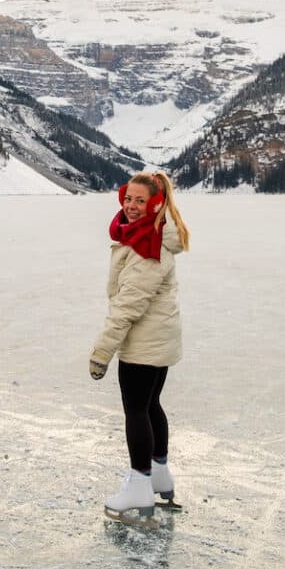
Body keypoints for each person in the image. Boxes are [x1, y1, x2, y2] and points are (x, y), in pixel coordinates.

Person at [89, 171, 191, 521]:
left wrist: (102, 352)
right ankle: (159, 472)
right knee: (150, 405)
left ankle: (140, 485)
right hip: (158, 339)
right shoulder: (148, 234)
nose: (131, 206)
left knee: (136, 410)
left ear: (155, 204)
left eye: (140, 201)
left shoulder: (149, 244)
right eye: (128, 199)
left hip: (144, 343)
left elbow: (128, 304)